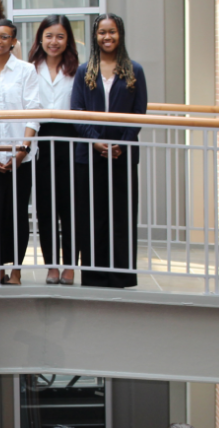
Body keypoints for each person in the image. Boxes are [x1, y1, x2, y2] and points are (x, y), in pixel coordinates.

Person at [70, 13, 147, 289]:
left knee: (121, 214)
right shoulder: (84, 71)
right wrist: (95, 142)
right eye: (102, 32)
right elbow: (76, 112)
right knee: (92, 215)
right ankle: (94, 275)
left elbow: (139, 114)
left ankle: (121, 276)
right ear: (95, 36)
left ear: (120, 34)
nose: (107, 37)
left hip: (123, 156)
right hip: (89, 157)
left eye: (112, 32)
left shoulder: (134, 70)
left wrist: (120, 144)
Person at [0, 19, 47, 285]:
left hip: (20, 157)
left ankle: (16, 270)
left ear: (14, 42)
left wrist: (22, 151)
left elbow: (33, 112)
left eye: (5, 37)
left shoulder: (26, 71)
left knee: (16, 214)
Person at [29, 15, 82, 286]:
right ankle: (51, 265)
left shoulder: (78, 70)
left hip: (70, 140)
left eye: (60, 36)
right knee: (45, 207)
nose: (54, 41)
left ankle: (70, 265)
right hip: (40, 141)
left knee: (70, 206)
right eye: (49, 36)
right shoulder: (30, 69)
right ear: (41, 38)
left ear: (67, 40)